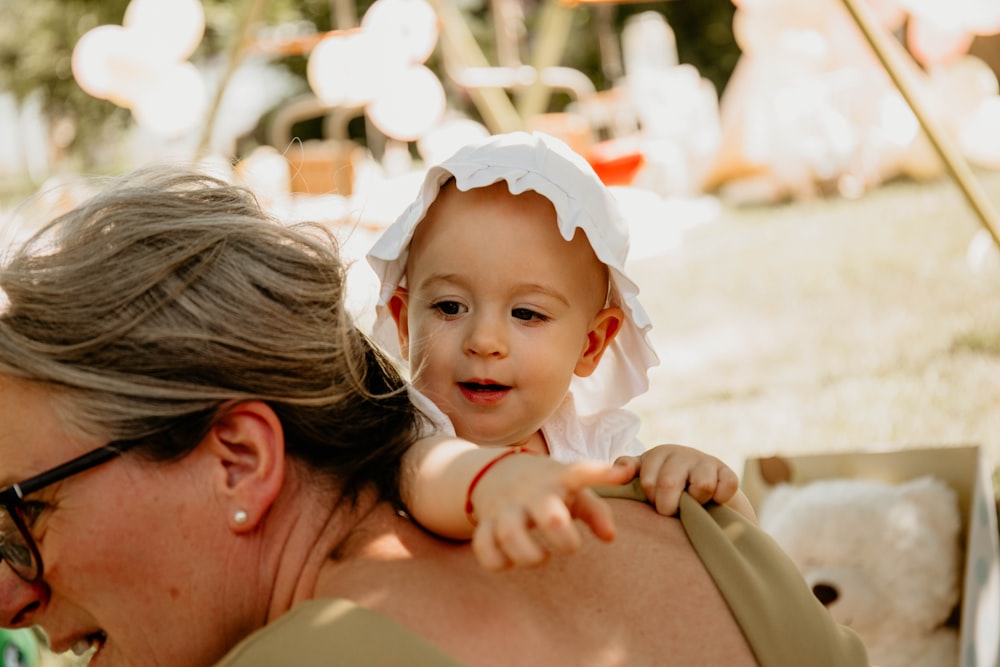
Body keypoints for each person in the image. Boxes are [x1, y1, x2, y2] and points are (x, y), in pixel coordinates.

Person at [0, 166, 869, 666]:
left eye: (22, 510)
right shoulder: (707, 536)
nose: (10, 594)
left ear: (239, 458)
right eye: (450, 308)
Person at [367, 131, 754, 568]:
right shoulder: (403, 434)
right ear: (403, 321)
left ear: (591, 344)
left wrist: (706, 486)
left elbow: (749, 556)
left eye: (527, 314)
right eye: (450, 306)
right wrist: (489, 481)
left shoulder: (596, 451)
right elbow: (425, 476)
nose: (484, 342)